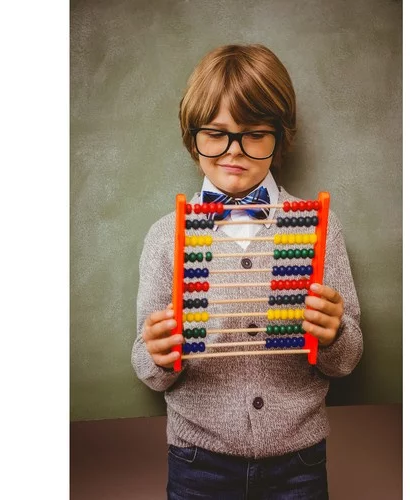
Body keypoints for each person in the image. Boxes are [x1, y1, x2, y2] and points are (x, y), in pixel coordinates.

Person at [132, 44, 363, 500]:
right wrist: (157, 354)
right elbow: (146, 365)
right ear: (192, 137)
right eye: (215, 134)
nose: (233, 152)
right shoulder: (166, 237)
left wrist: (334, 333)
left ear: (280, 136)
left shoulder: (317, 227)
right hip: (198, 461)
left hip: (298, 460)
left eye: (254, 134)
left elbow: (347, 359)